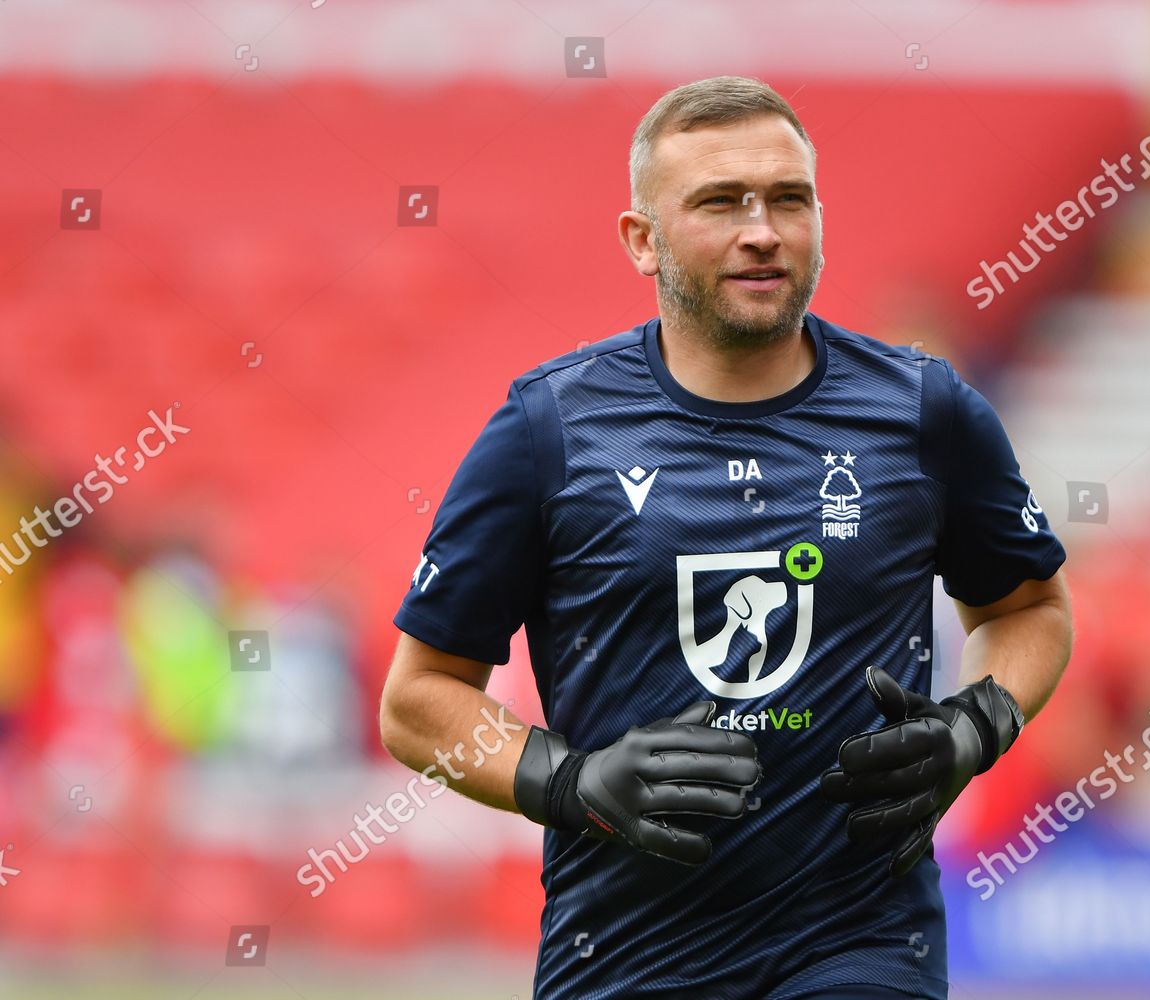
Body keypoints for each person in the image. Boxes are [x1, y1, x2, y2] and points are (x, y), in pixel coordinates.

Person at [379, 75, 1073, 1000]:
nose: (763, 230)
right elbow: (418, 699)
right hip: (621, 959)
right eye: (719, 202)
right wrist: (571, 782)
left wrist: (974, 726)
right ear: (642, 240)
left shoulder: (923, 412)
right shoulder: (550, 428)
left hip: (862, 946)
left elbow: (1032, 609)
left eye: (790, 199)